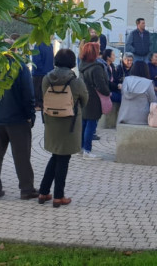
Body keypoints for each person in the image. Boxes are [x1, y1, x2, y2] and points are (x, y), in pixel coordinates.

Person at [39, 49, 89, 207]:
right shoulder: (76, 81)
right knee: (63, 159)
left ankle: (43, 192)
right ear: (72, 62)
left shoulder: (46, 79)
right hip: (70, 124)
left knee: (56, 156)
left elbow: (43, 96)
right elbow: (85, 99)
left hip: (51, 122)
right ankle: (58, 196)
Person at [0, 58, 38, 201]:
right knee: (21, 156)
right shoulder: (21, 68)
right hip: (18, 119)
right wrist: (30, 115)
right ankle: (26, 189)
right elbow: (28, 93)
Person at [78, 42, 110, 159]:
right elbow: (101, 84)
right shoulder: (96, 67)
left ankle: (81, 148)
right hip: (94, 99)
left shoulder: (82, 65)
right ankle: (87, 150)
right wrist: (107, 92)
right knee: (91, 125)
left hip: (84, 96)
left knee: (84, 123)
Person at [117, 61, 157, 125]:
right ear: (146, 70)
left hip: (124, 118)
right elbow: (154, 102)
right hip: (143, 120)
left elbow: (123, 94)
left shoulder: (126, 80)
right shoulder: (148, 83)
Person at [31, 39, 54, 111]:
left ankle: (38, 104)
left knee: (37, 89)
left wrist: (39, 68)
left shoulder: (37, 45)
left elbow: (36, 59)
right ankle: (44, 103)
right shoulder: (50, 45)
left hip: (38, 72)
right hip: (48, 71)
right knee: (45, 89)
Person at [102, 48, 121, 129]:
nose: (114, 57)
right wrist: (117, 86)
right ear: (108, 57)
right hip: (108, 91)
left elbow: (115, 79)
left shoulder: (112, 66)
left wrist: (119, 84)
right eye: (113, 55)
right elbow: (107, 82)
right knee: (121, 98)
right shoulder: (104, 66)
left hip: (114, 89)